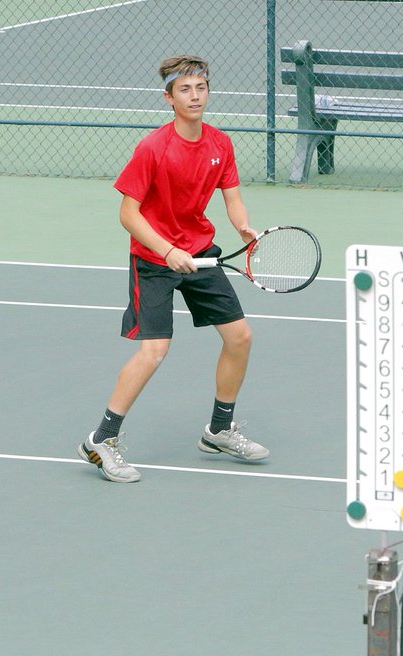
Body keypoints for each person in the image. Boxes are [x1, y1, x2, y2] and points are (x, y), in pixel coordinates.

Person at [77, 55, 269, 484]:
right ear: (169, 98)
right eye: (185, 90)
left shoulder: (220, 144)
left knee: (240, 337)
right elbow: (128, 214)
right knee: (154, 351)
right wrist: (166, 251)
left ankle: (219, 430)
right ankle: (101, 440)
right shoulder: (153, 148)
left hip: (200, 253)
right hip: (154, 261)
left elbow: (233, 197)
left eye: (201, 88)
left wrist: (243, 226)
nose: (195, 96)